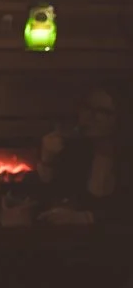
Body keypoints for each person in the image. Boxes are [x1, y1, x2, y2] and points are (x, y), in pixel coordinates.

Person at [36, 86, 132, 224]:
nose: (91, 116)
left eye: (103, 111)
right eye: (87, 108)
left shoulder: (127, 158)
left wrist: (86, 218)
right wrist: (47, 160)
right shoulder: (73, 153)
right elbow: (44, 202)